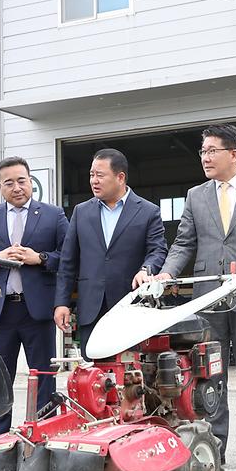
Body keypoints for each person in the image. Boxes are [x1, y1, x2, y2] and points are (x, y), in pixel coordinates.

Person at [146, 124, 236, 471]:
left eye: (212, 151)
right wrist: (167, 273)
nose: (205, 158)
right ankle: (215, 442)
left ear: (233, 154)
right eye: (203, 152)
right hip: (208, 300)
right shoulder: (196, 195)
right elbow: (184, 243)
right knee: (210, 373)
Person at [0, 156, 68, 435]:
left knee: (44, 376)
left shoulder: (53, 215)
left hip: (37, 310)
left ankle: (43, 432)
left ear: (31, 181)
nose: (17, 187)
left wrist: (40, 257)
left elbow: (69, 257)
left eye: (22, 180)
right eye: (9, 182)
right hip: (0, 311)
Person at [54, 148, 166, 357]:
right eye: (91, 175)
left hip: (131, 306)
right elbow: (68, 262)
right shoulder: (81, 212)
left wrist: (146, 269)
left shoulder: (148, 211)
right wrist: (62, 302)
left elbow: (158, 250)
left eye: (100, 175)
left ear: (120, 177)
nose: (93, 181)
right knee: (93, 377)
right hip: (91, 308)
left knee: (132, 377)